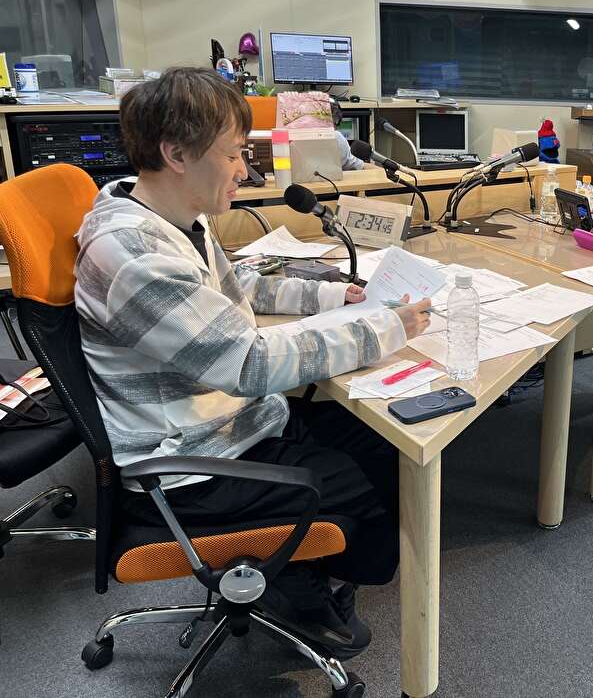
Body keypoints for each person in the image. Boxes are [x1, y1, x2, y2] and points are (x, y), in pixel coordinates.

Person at [74, 67, 432, 657]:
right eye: (235, 153)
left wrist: (329, 296)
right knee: (361, 483)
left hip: (226, 423)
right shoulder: (132, 255)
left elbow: (231, 284)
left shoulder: (170, 218)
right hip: (189, 466)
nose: (245, 169)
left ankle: (304, 569)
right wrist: (385, 328)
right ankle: (301, 588)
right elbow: (248, 364)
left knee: (380, 440)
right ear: (176, 154)